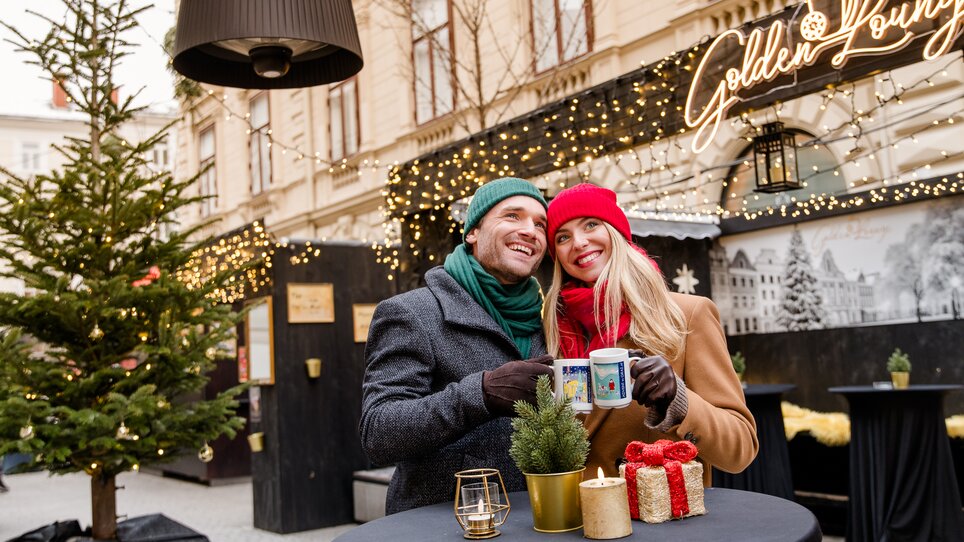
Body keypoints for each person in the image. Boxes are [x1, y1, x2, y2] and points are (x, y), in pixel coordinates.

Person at [360, 177, 554, 514]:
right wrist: (478, 395)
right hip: (445, 524)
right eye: (512, 216)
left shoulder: (549, 320)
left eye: (540, 223)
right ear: (473, 232)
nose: (530, 231)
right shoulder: (413, 313)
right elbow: (378, 432)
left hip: (540, 520)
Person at [543, 183, 757, 484]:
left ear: (616, 233)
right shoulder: (555, 329)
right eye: (562, 237)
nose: (578, 242)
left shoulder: (687, 314)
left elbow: (740, 449)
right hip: (576, 520)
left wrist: (679, 399)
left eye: (591, 224)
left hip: (657, 517)